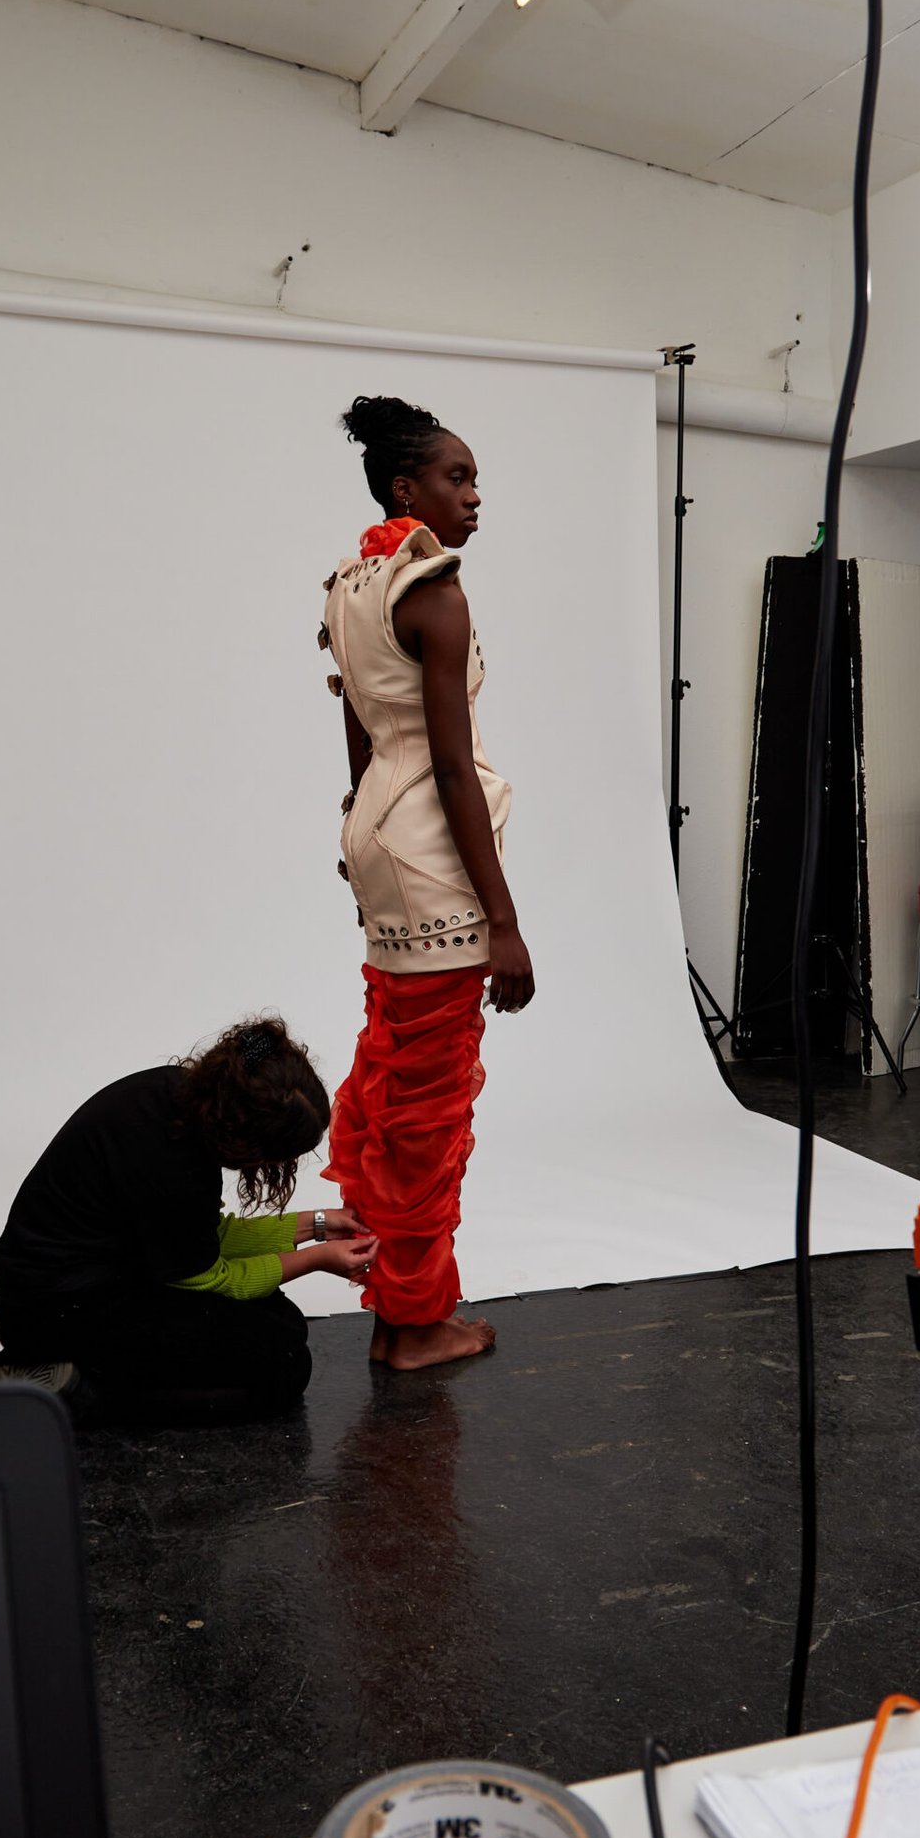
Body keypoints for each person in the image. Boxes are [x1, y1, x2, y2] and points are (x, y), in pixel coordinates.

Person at [320, 394, 535, 1372]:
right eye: (457, 477)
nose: (474, 495)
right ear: (406, 488)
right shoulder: (433, 588)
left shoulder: (350, 584)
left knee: (392, 1075)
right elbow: (450, 766)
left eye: (475, 477)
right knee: (427, 1102)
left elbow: (361, 730)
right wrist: (504, 923)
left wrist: (361, 826)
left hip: (380, 833)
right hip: (431, 847)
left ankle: (397, 1308)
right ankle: (414, 1325)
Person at [0, 1018, 376, 1426]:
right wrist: (317, 1259)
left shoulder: (179, 1097)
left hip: (87, 1282)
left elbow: (205, 1237)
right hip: (57, 1313)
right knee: (283, 1369)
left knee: (281, 1321)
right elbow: (214, 1277)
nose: (284, 1164)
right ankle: (76, 1392)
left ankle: (75, 1368)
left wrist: (317, 1225)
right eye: (281, 1155)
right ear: (248, 1139)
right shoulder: (173, 1162)